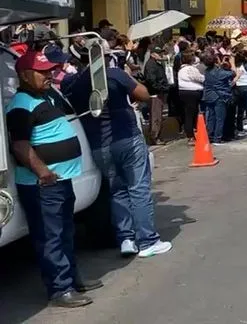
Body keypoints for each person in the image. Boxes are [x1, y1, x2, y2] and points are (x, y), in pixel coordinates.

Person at [8, 47, 103, 308]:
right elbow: (20, 146)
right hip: (43, 184)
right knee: (50, 237)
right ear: (26, 75)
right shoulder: (20, 107)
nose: (49, 74)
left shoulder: (47, 96)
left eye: (49, 70)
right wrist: (43, 172)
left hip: (60, 180)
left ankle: (72, 279)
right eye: (42, 71)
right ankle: (60, 289)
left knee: (65, 232)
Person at [63, 46, 174, 259]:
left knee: (117, 191)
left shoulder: (71, 83)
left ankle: (126, 238)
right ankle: (148, 240)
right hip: (126, 138)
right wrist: (127, 76)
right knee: (138, 188)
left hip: (98, 145)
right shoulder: (114, 74)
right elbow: (144, 94)